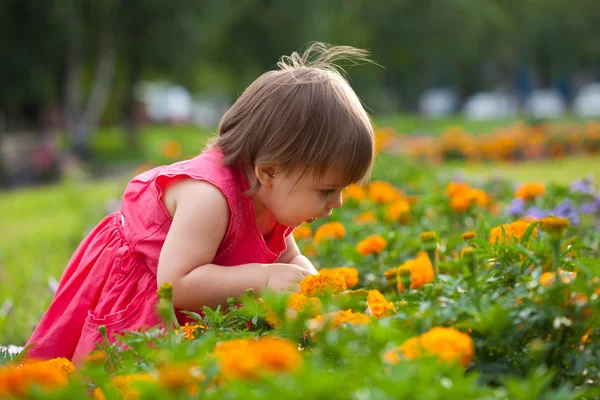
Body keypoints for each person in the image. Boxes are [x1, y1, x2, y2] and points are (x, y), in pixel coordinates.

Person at [25, 43, 375, 361]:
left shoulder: (274, 200)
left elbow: (289, 257)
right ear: (269, 172)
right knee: (126, 377)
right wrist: (264, 278)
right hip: (140, 289)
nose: (339, 203)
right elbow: (175, 285)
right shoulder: (210, 198)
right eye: (327, 190)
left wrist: (325, 297)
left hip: (176, 291)